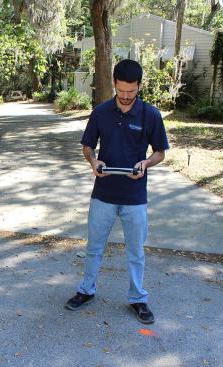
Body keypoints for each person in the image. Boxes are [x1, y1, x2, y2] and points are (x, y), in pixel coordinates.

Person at [65, 59, 169, 324]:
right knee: (94, 247)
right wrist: (93, 161)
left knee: (136, 251)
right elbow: (87, 146)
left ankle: (138, 299)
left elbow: (160, 152)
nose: (125, 97)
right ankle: (86, 290)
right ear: (114, 84)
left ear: (139, 86)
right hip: (103, 195)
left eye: (131, 92)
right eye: (121, 91)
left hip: (135, 197)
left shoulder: (151, 115)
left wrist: (146, 163)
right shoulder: (100, 112)